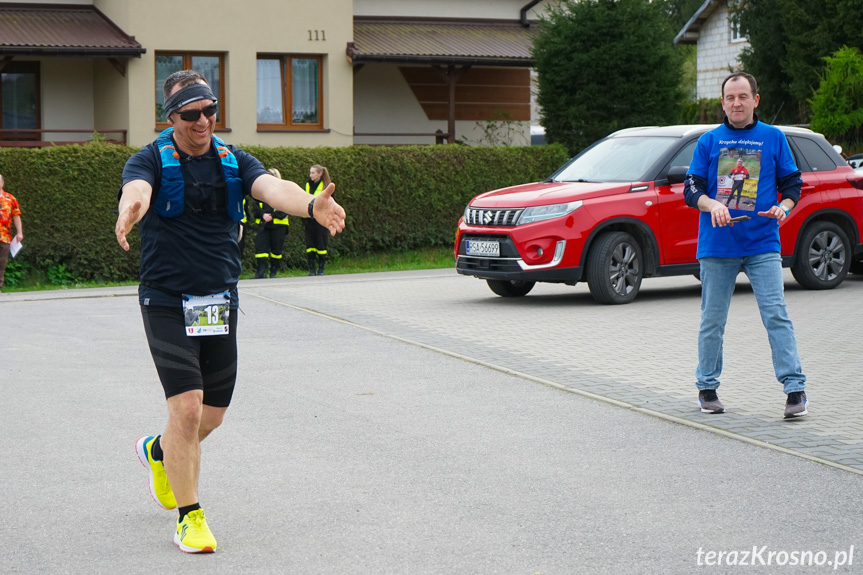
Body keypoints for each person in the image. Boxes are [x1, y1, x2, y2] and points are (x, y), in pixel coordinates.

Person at [114, 70, 345, 554]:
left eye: (210, 109)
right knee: (188, 406)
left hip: (217, 301)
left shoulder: (234, 160)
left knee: (211, 418)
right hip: (166, 300)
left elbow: (270, 188)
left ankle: (159, 452)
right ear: (172, 116)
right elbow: (136, 190)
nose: (203, 120)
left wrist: (311, 205)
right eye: (191, 113)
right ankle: (189, 517)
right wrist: (129, 209)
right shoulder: (149, 160)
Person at [684, 72, 807, 419]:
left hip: (763, 242)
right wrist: (713, 205)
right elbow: (691, 189)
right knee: (713, 320)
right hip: (717, 245)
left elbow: (793, 185)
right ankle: (707, 387)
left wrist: (783, 208)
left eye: (742, 96)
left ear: (756, 99)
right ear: (722, 103)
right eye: (729, 98)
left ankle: (795, 390)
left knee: (776, 315)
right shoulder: (708, 141)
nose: (736, 103)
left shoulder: (773, 137)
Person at [251, 168, 290, 279]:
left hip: (279, 225)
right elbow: (255, 207)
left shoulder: (283, 191)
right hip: (264, 225)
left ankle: (273, 272)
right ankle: (261, 272)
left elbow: (285, 207)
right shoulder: (260, 192)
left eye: (270, 175)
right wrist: (263, 215)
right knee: (260, 248)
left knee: (276, 250)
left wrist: (273, 216)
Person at [304, 165, 332, 276]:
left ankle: (321, 269)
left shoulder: (326, 186)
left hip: (321, 220)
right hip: (309, 220)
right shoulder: (307, 185)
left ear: (319, 174)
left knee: (321, 245)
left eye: (312, 173)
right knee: (310, 246)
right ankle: (311, 270)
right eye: (310, 173)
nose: (310, 175)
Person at [0, 174, 24, 293]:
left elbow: (16, 216)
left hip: (4, 237)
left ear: (2, 183)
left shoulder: (10, 199)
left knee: (1, 263)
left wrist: (20, 232)